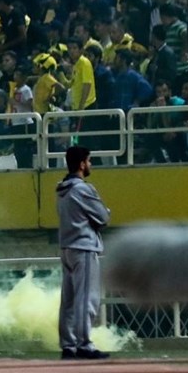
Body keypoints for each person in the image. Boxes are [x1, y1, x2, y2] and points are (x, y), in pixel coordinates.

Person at [57, 145, 111, 360]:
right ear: (81, 164)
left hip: (67, 247)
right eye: (89, 161)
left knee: (69, 301)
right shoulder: (83, 189)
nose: (90, 165)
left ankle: (68, 345)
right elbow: (103, 217)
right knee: (86, 298)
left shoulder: (61, 189)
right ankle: (84, 344)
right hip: (84, 247)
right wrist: (105, 212)